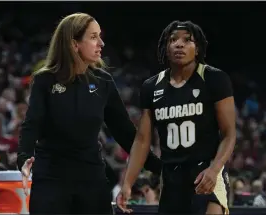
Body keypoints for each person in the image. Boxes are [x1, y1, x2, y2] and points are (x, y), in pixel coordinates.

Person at [17, 12, 161, 215]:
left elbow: (126, 134)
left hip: (92, 178)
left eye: (100, 36)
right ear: (74, 44)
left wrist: (160, 168)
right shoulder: (45, 80)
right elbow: (32, 124)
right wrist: (24, 158)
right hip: (51, 178)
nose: (101, 43)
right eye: (93, 37)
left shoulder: (103, 81)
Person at [116, 20, 236, 214]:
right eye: (173, 40)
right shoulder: (151, 86)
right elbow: (142, 140)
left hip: (206, 171)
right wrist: (127, 183)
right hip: (171, 176)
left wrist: (215, 169)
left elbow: (229, 134)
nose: (179, 44)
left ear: (197, 49)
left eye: (187, 40)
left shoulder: (214, 78)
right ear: (166, 47)